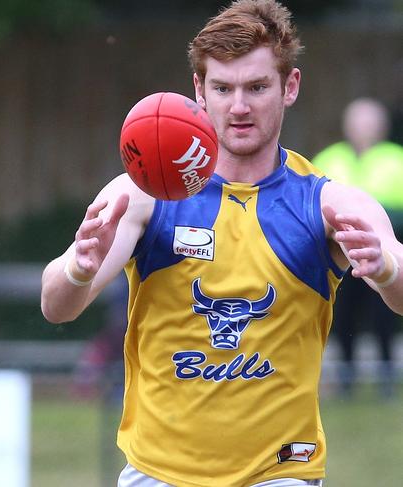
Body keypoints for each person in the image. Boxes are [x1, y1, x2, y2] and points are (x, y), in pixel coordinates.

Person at [40, 1, 403, 486]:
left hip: (280, 473)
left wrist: (384, 270)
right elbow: (56, 307)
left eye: (256, 87)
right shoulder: (144, 194)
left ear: (289, 86)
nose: (238, 107)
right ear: (198, 91)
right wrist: (79, 270)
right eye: (222, 88)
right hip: (158, 473)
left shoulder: (327, 203)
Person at [313, 98, 403, 398]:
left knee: (384, 317)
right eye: (357, 121)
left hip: (384, 247)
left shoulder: (396, 158)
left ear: (381, 126)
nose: (362, 128)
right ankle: (346, 378)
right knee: (344, 316)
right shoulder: (330, 158)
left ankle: (388, 377)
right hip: (341, 254)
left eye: (369, 122)